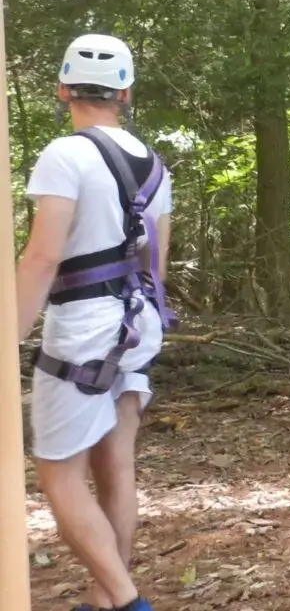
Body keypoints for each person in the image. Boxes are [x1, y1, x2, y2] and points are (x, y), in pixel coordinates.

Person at [16, 33, 172, 611]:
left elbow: (42, 256)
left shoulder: (66, 154)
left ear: (62, 89)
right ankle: (107, 601)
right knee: (116, 469)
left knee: (59, 479)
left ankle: (128, 602)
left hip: (82, 329)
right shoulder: (154, 166)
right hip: (136, 323)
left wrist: (10, 335)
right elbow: (156, 263)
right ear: (125, 92)